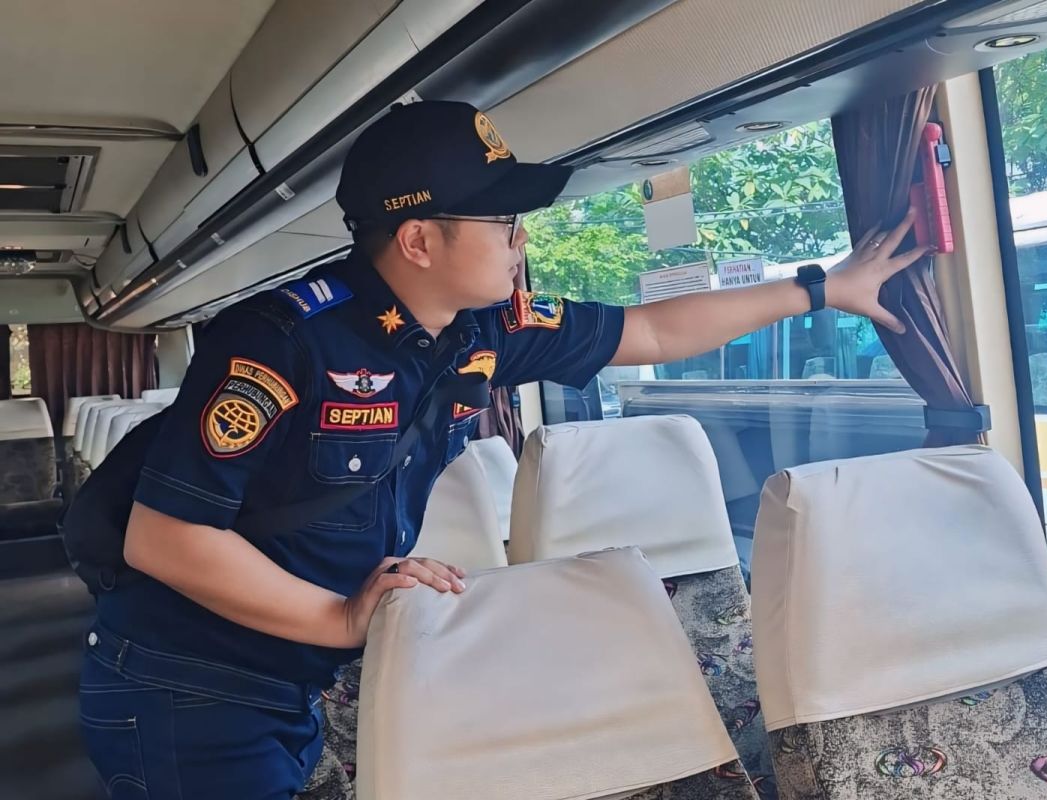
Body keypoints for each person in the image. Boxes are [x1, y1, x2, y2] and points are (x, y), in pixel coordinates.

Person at [78, 100, 929, 799]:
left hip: (292, 677)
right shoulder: (281, 342)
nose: (522, 239)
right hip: (185, 679)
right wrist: (340, 619)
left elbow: (656, 328)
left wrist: (824, 287)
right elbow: (164, 537)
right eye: (503, 221)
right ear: (419, 240)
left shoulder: (482, 327)